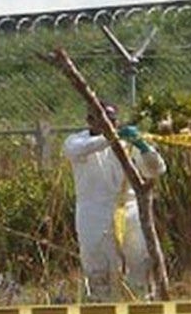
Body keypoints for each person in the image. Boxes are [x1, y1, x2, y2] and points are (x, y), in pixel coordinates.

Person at [63, 102, 167, 300]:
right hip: (93, 209)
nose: (109, 124)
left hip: (129, 207)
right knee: (98, 264)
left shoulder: (126, 143)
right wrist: (111, 137)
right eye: (103, 120)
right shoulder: (77, 141)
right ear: (90, 121)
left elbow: (156, 170)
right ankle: (102, 305)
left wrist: (143, 147)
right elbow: (78, 150)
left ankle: (140, 302)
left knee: (139, 260)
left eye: (112, 120)